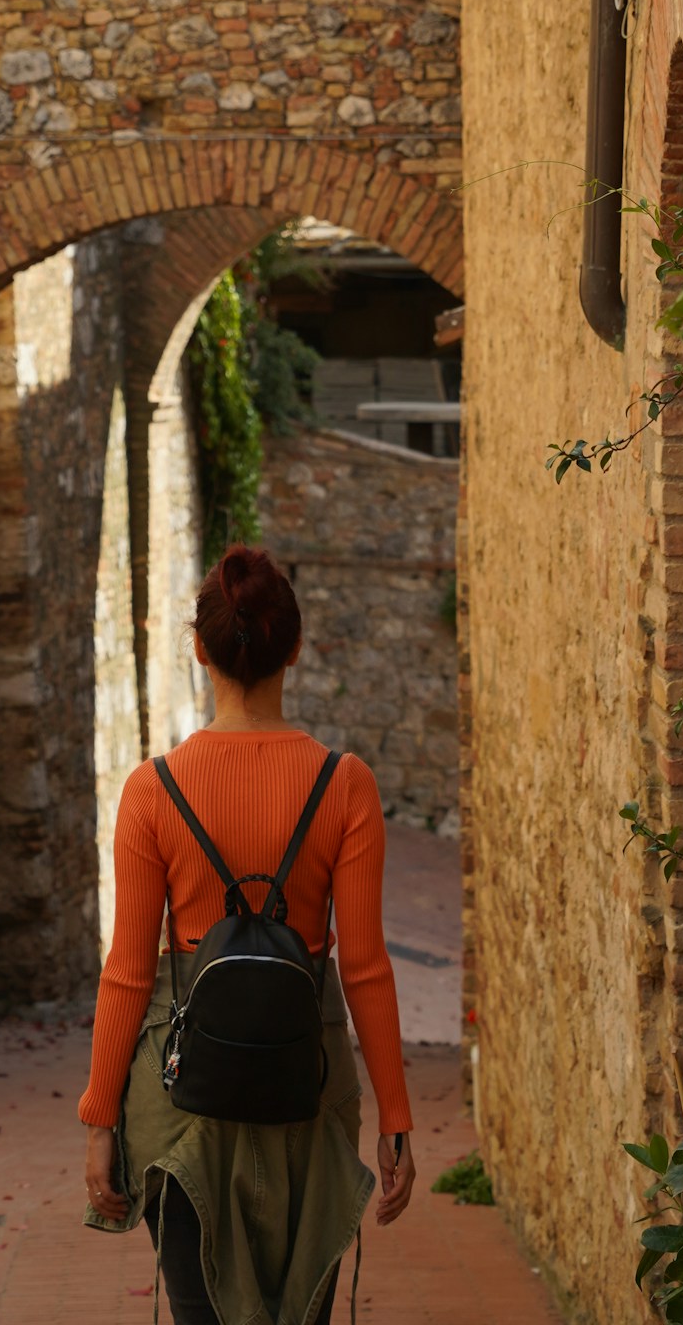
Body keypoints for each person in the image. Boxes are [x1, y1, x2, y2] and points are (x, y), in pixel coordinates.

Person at [80, 543, 416, 1323]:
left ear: (201, 652)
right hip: (309, 1087)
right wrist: (396, 1117)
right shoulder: (345, 785)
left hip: (179, 1101)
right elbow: (365, 967)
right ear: (293, 649)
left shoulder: (152, 791)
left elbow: (128, 971)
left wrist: (100, 1119)